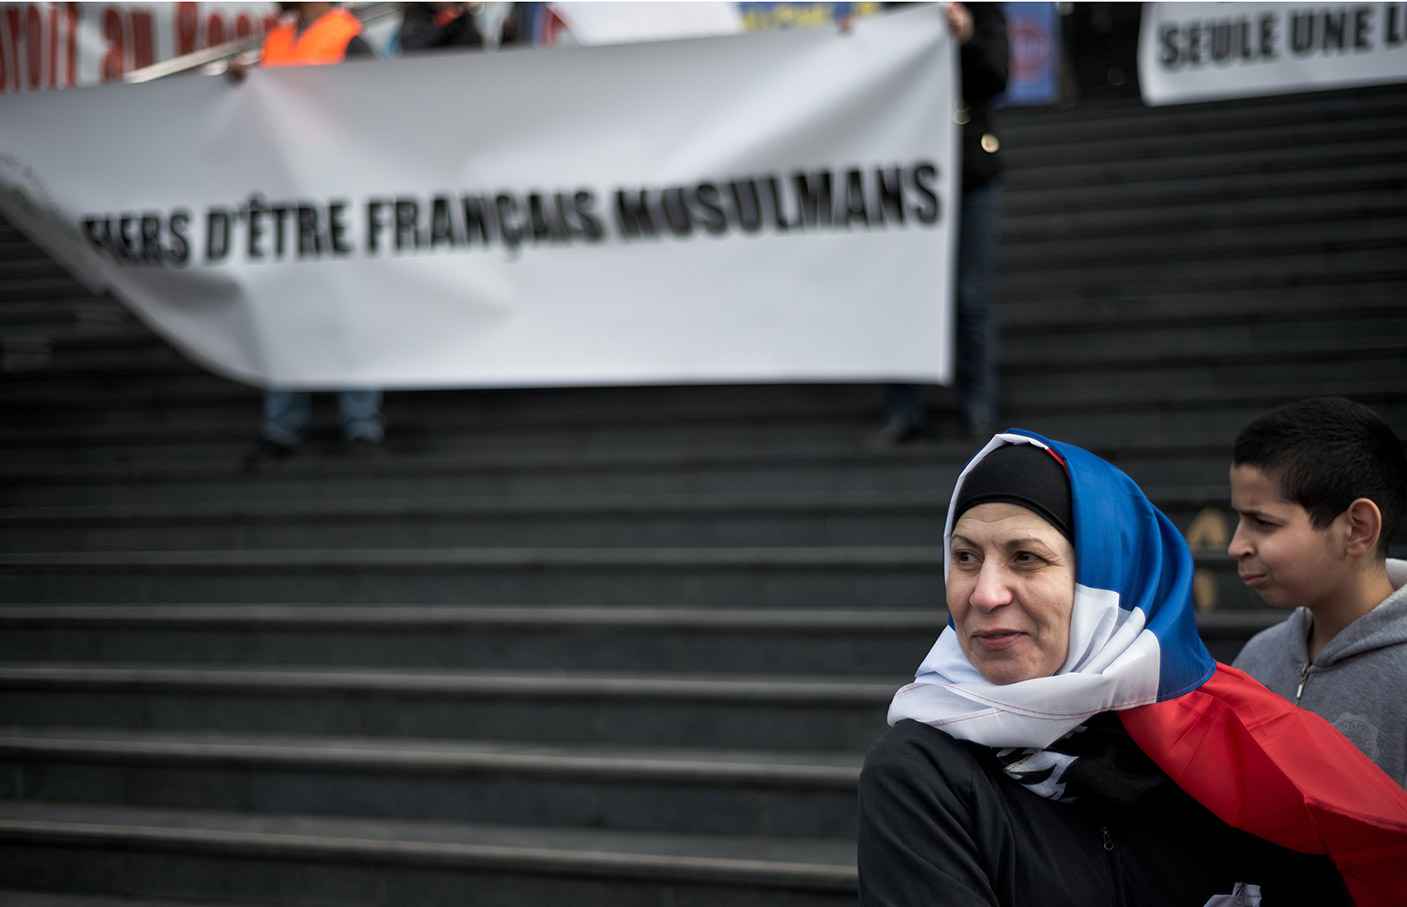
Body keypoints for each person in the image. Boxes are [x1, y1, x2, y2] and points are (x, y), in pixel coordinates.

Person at [858, 430, 1407, 906]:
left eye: (1026, 557)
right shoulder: (920, 773)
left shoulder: (1222, 744)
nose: (985, 593)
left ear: (1108, 580)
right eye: (965, 557)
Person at [232, 2, 386, 470]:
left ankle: (359, 419)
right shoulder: (277, 41)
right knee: (285, 305)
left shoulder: (350, 39)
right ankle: (284, 422)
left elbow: (375, 110)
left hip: (337, 190)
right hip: (283, 188)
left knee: (347, 303)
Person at [1228, 396, 1407, 787]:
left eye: (1263, 522)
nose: (1235, 545)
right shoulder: (1257, 659)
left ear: (1357, 528)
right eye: (1239, 518)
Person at [872, 2, 1007, 448]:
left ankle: (977, 408)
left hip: (968, 170)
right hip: (908, 177)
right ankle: (905, 410)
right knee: (900, 293)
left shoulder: (981, 9)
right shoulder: (895, 10)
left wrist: (966, 37)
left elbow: (997, 77)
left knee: (970, 296)